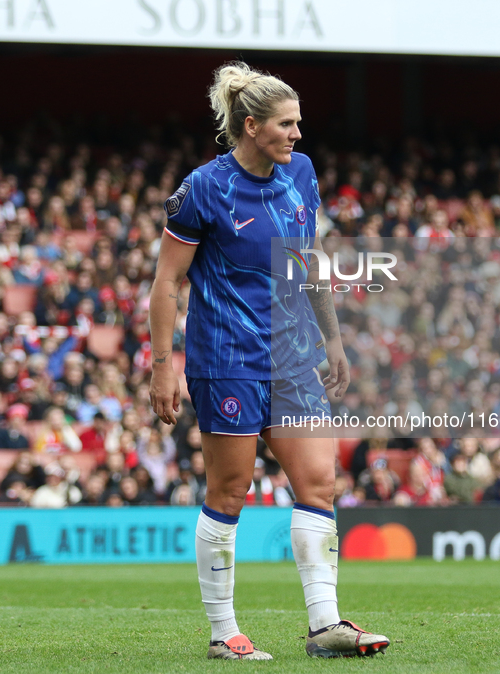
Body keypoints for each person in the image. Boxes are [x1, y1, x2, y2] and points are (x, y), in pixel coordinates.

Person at [149, 62, 389, 661]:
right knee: (230, 490)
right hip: (226, 357)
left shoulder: (301, 174)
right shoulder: (204, 188)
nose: (298, 135)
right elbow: (165, 283)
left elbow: (307, 260)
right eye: (287, 124)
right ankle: (223, 633)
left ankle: (326, 627)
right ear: (251, 126)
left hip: (293, 357)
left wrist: (331, 339)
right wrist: (162, 364)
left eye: (299, 123)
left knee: (319, 483)